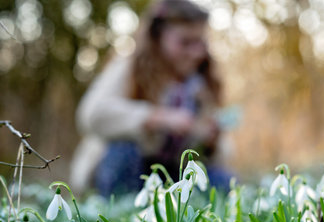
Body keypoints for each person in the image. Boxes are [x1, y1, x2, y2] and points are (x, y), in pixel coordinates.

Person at [70, 0, 231, 198]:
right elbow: (91, 115)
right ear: (158, 37)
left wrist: (210, 139)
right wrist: (157, 118)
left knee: (223, 181)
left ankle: (177, 214)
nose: (196, 53)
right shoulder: (129, 68)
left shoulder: (202, 84)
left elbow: (216, 155)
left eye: (200, 43)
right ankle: (120, 211)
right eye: (185, 43)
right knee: (124, 152)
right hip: (125, 169)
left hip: (171, 173)